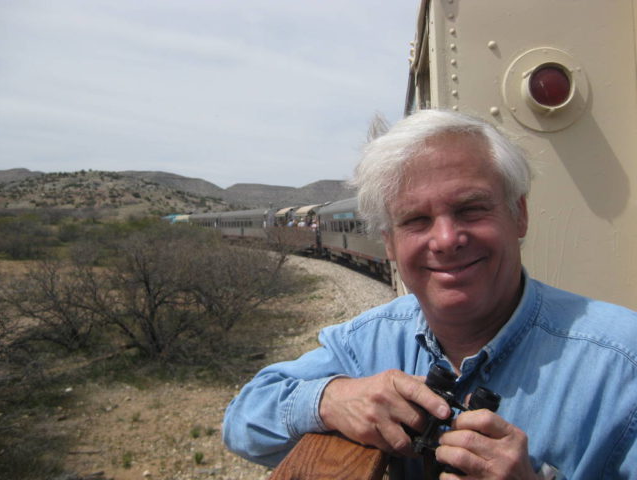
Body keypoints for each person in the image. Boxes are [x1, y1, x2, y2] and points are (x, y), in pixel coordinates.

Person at [222, 110, 637, 479]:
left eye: (471, 209)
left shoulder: (623, 365)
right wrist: (330, 399)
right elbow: (242, 422)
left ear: (520, 215)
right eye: (416, 220)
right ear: (389, 243)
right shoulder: (368, 343)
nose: (446, 239)